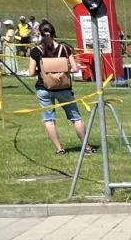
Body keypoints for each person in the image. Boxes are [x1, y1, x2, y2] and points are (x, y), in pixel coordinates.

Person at [27, 20, 93, 155]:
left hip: (44, 88)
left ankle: (59, 149)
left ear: (40, 34)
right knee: (76, 118)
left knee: (49, 120)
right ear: (54, 33)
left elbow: (31, 72)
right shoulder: (65, 49)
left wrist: (44, 72)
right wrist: (63, 71)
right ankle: (86, 147)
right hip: (64, 89)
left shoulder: (36, 51)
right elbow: (75, 69)